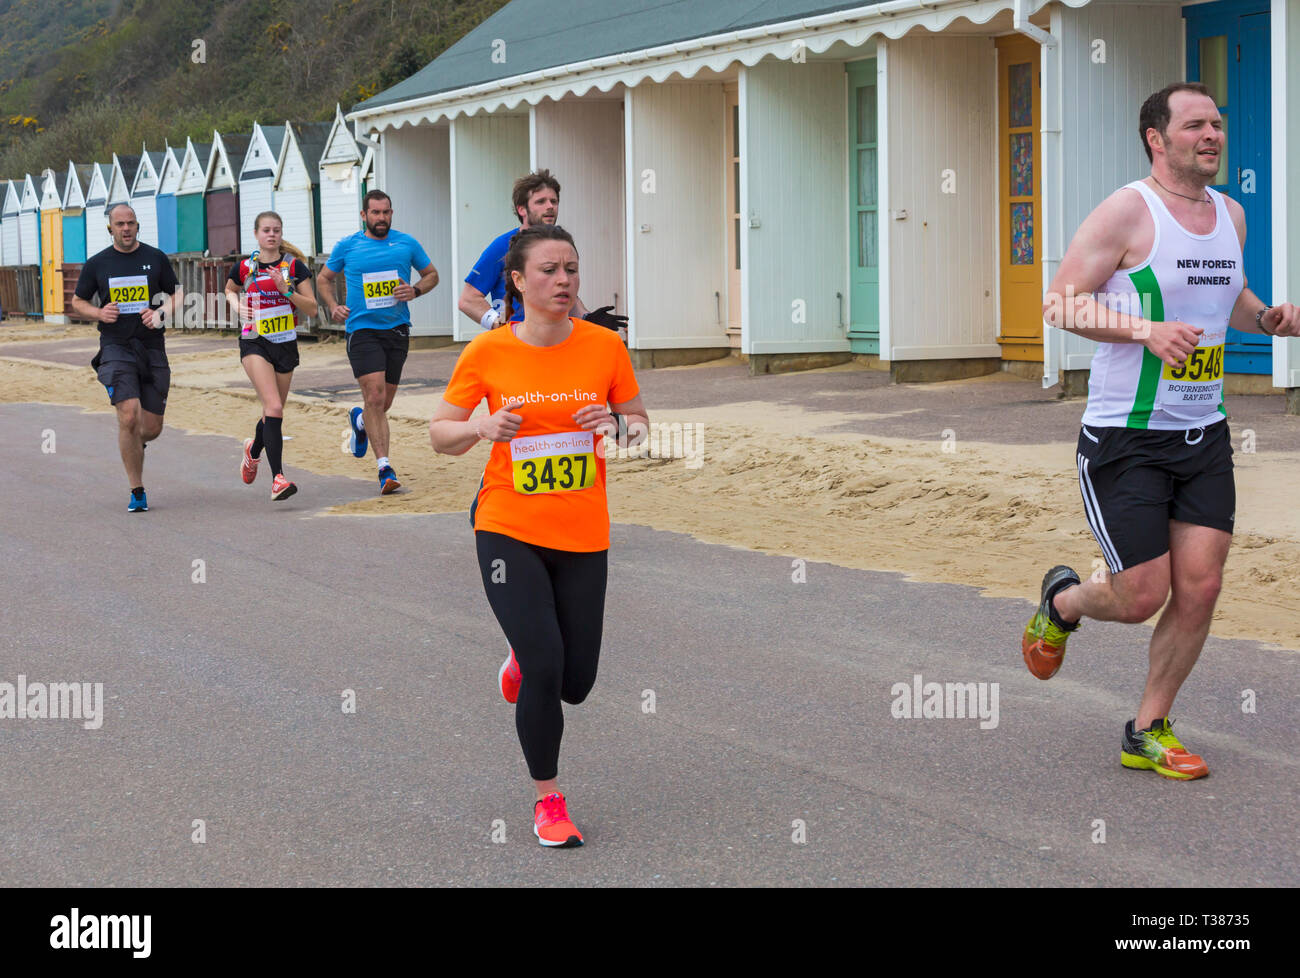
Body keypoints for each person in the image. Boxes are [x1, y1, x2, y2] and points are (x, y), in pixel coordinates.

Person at [1029, 82, 1299, 780]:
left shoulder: (1231, 215)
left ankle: (1148, 726)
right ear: (1158, 137)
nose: (1212, 135)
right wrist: (1145, 330)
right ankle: (1062, 602)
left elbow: (1224, 295)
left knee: (1202, 587)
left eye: (1217, 123)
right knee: (1141, 594)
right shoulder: (1127, 210)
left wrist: (1265, 317)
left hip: (1203, 434)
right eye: (1195, 125)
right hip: (1126, 437)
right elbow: (1059, 303)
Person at [430, 224, 648, 846]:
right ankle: (548, 800)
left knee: (576, 684)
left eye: (572, 269)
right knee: (549, 664)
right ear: (519, 281)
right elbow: (439, 437)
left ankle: (525, 662)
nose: (564, 280)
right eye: (549, 270)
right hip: (507, 526)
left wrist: (616, 425)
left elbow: (638, 427)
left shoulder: (604, 346)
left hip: (583, 531)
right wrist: (481, 428)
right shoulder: (489, 353)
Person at [317, 190, 438, 494]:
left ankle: (360, 423)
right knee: (374, 396)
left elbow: (432, 275)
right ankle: (385, 468)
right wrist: (333, 306)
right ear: (364, 215)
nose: (381, 218)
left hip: (396, 329)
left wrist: (416, 290)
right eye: (375, 213)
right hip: (362, 330)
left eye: (386, 212)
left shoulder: (406, 243)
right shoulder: (348, 245)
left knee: (382, 404)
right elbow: (323, 278)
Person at [70, 203, 183, 512]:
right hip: (116, 347)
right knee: (128, 415)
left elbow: (178, 294)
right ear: (111, 229)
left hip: (151, 348)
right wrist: (98, 312)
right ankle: (137, 490)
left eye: (130, 222)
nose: (126, 228)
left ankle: (136, 442)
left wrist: (159, 314)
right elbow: (77, 301)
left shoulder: (154, 258)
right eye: (119, 224)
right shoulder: (98, 264)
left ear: (137, 225)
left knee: (151, 427)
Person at [459, 169, 627, 338]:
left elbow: (568, 295)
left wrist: (587, 317)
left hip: (558, 341)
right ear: (522, 209)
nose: (550, 207)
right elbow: (468, 299)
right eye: (541, 202)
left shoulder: (563, 243)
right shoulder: (502, 246)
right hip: (518, 345)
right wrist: (500, 326)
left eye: (554, 201)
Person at [224, 211, 318, 501]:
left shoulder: (294, 266)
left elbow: (313, 309)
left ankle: (253, 452)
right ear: (256, 234)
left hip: (285, 343)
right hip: (255, 341)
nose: (271, 235)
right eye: (266, 230)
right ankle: (278, 479)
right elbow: (229, 290)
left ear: (281, 233)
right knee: (274, 407)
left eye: (276, 230)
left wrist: (285, 290)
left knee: (272, 413)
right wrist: (237, 305)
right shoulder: (246, 267)